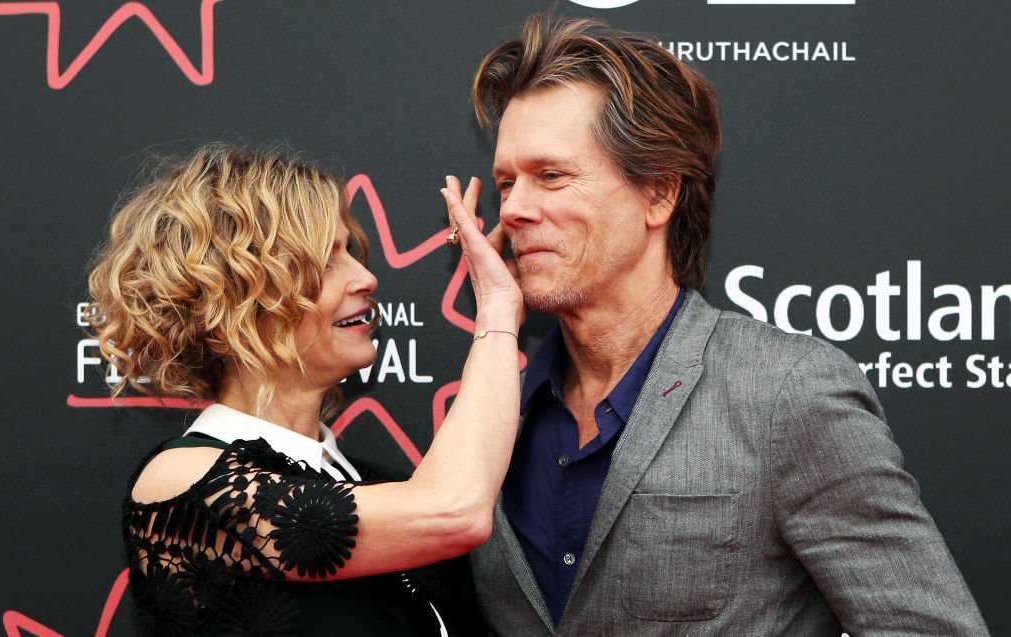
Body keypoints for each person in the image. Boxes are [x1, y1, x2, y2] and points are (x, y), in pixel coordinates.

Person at [466, 14, 989, 636]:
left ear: (659, 193)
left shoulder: (786, 393)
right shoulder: (495, 404)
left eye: (551, 175)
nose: (517, 208)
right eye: (506, 183)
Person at [86, 143, 523, 636]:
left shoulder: (383, 482)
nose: (366, 277)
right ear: (241, 294)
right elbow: (455, 512)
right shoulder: (179, 485)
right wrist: (498, 314)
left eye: (350, 252)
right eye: (326, 260)